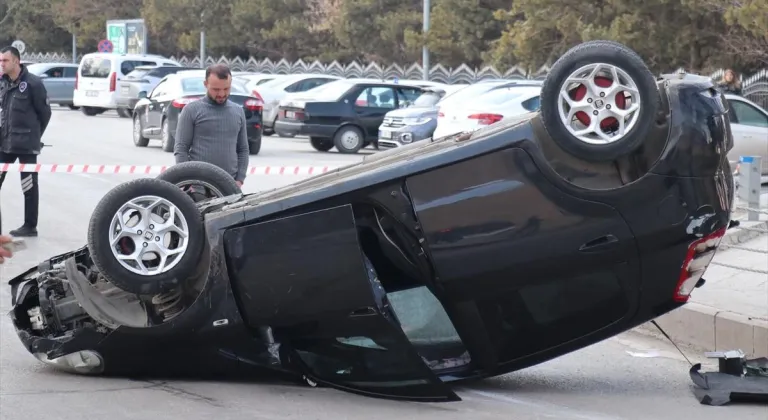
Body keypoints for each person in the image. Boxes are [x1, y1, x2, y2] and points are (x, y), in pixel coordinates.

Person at [0, 46, 52, 237]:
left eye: (5, 61)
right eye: (0, 61)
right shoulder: (3, 83)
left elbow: (45, 113)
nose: (2, 64)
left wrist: (34, 136)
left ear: (16, 61)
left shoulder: (33, 83)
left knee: (29, 186)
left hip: (26, 145)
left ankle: (30, 226)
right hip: (4, 143)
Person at [173, 64, 249, 188]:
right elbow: (181, 148)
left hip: (229, 188)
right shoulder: (191, 110)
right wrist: (188, 182)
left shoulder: (238, 111)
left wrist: (240, 179)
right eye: (216, 89)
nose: (221, 94)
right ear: (205, 84)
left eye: (226, 89)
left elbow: (243, 149)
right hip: (197, 187)